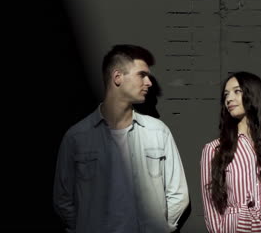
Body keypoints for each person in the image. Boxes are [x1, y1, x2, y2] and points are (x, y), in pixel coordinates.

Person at [53, 44, 189, 233]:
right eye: (142, 75)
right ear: (118, 77)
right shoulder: (77, 137)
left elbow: (178, 194)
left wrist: (158, 228)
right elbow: (63, 199)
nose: (149, 82)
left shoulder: (158, 132)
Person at [201, 72, 261, 233]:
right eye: (226, 94)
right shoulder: (214, 149)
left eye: (237, 91)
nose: (229, 99)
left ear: (254, 95)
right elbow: (211, 207)